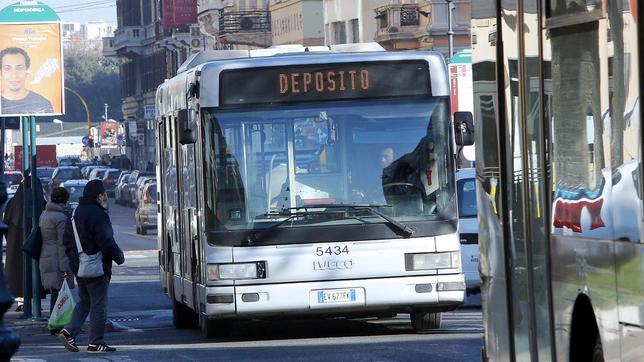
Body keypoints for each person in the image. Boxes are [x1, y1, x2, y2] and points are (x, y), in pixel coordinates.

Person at [58, 180, 124, 353]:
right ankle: (96, 341)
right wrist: (119, 257)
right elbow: (106, 241)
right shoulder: (98, 214)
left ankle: (68, 331)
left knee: (85, 301)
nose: (106, 198)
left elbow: (66, 241)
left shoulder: (74, 213)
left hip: (79, 267)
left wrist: (75, 261)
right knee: (98, 305)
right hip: (97, 267)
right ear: (99, 195)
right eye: (105, 194)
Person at [3, 169, 46, 300]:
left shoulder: (12, 204)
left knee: (19, 277)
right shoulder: (42, 204)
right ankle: (33, 305)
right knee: (35, 278)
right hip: (38, 250)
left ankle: (23, 304)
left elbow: (5, 225)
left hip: (16, 249)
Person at [39, 187, 75, 318]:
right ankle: (57, 322)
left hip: (46, 256)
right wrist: (65, 268)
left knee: (56, 292)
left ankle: (57, 322)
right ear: (65, 200)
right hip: (58, 260)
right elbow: (62, 244)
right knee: (61, 293)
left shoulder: (45, 214)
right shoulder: (61, 218)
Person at [0, 47, 54, 114]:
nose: (14, 75)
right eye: (7, 69)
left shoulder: (43, 104)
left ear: (27, 71)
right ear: (1, 72)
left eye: (19, 68)